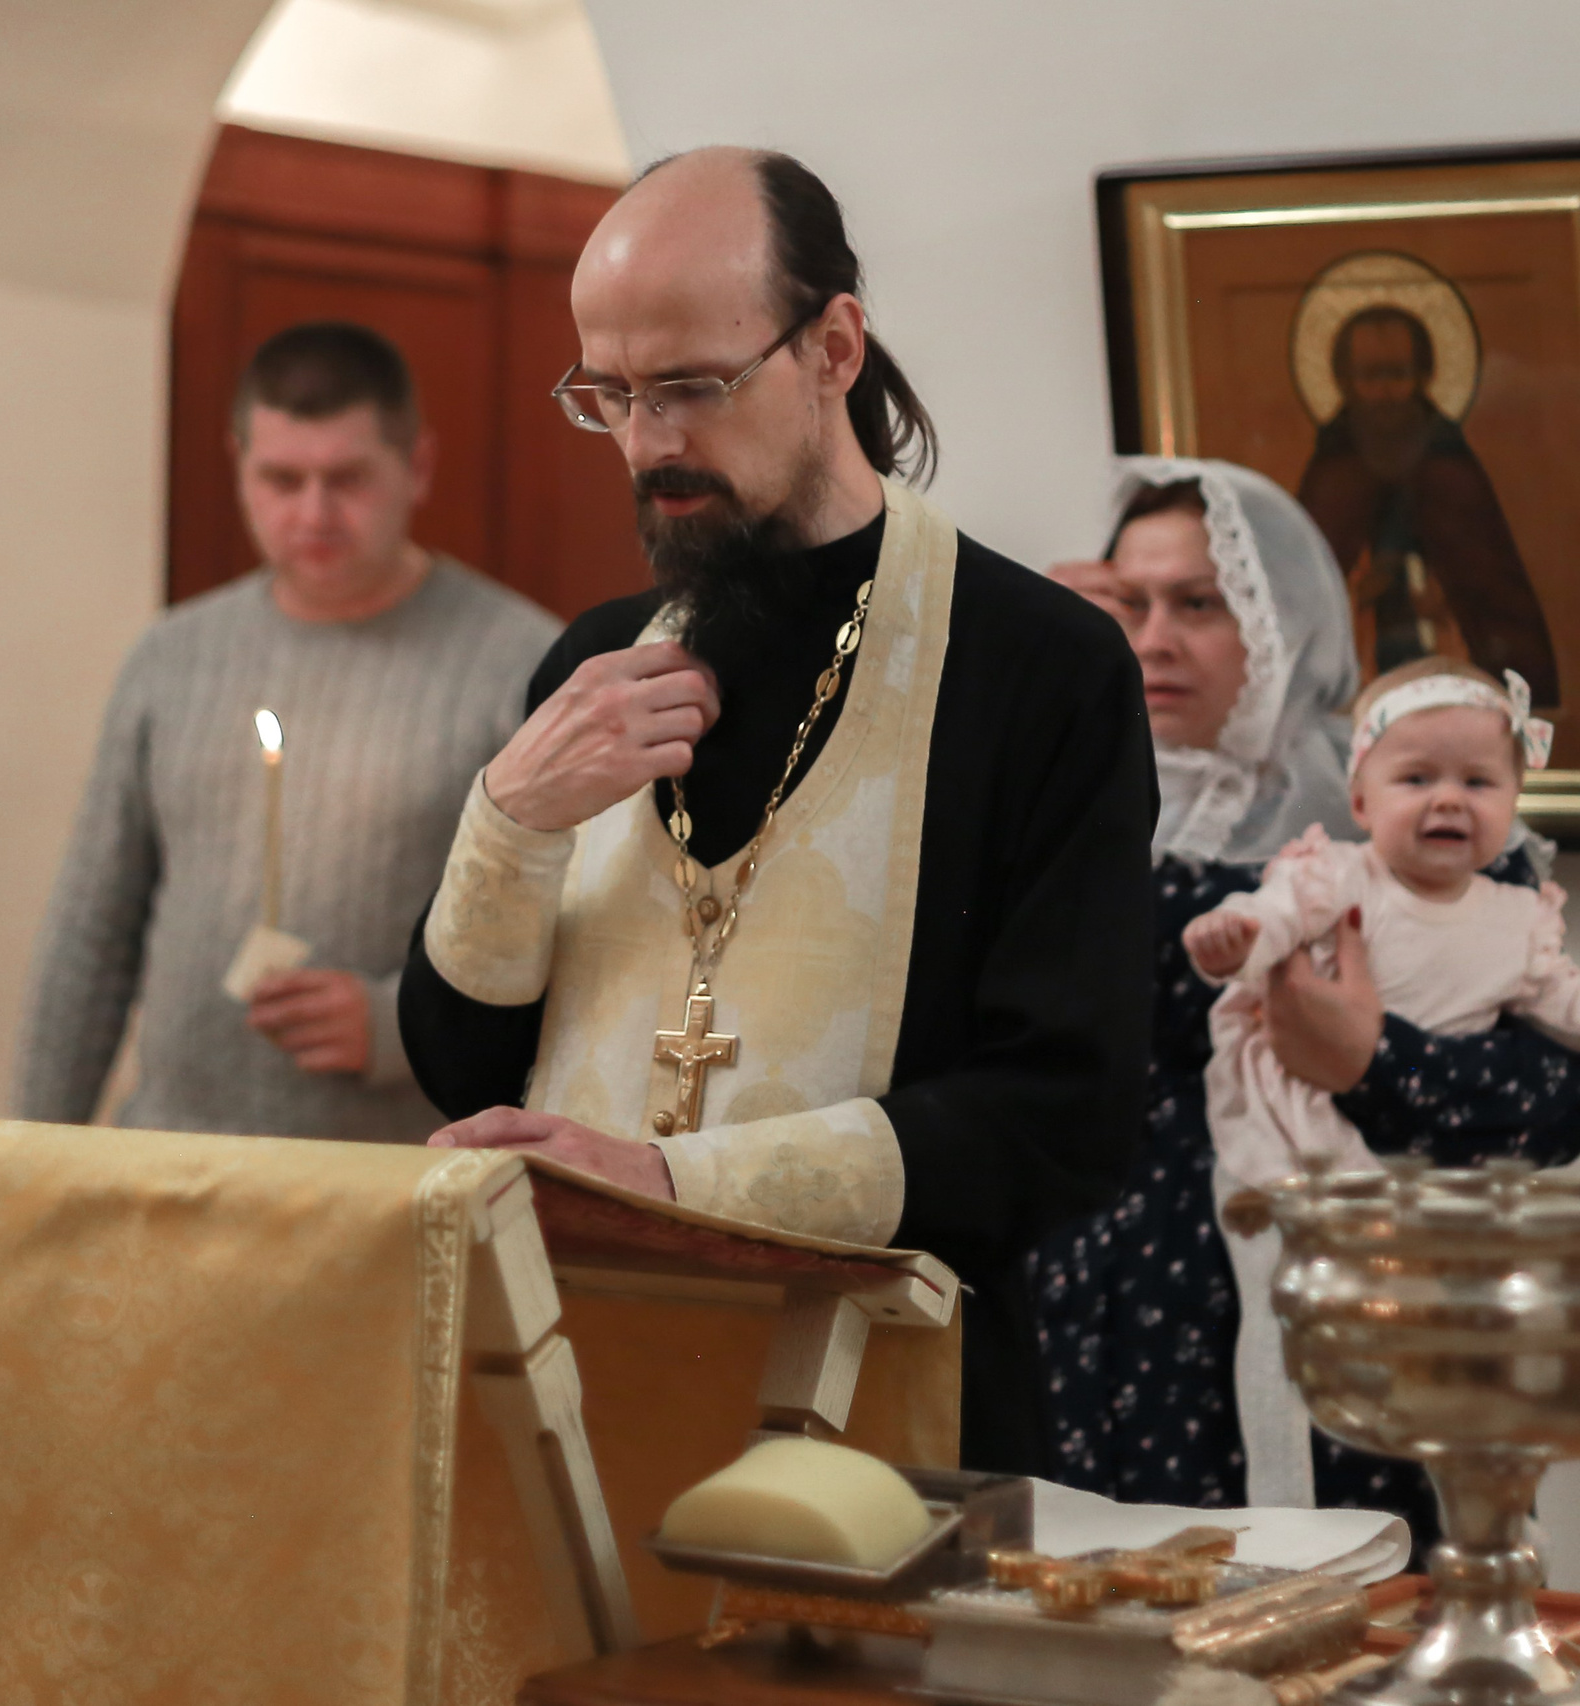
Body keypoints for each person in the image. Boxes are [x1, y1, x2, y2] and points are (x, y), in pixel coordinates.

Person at [400, 148, 1157, 1474]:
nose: (651, 442)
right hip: (577, 1390)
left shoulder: (1037, 665)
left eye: (692, 386)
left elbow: (1065, 1112)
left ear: (834, 347)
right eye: (613, 395)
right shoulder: (595, 660)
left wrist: (677, 1187)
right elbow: (467, 1069)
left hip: (896, 1421)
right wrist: (510, 820)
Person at [1031, 459, 1580, 1547]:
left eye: (1201, 603)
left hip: (1360, 1326)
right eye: (1131, 600)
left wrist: (1369, 1062)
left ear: (1287, 615)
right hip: (1102, 1337)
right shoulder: (1060, 797)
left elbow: (1556, 1099)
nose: (1155, 638)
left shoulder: (1408, 802)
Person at [1184, 657, 1580, 1505]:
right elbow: (1274, 920)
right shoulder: (1336, 876)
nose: (1449, 799)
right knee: (1289, 1303)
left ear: (1513, 805)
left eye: (1479, 781)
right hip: (1296, 1121)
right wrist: (1234, 938)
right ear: (1361, 802)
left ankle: (1465, 1505)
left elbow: (1574, 1009)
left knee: (1437, 1342)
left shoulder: (1518, 918)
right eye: (1417, 778)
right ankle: (1286, 1499)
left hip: (1424, 1161)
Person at [14, 322, 559, 1141]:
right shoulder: (171, 657)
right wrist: (31, 1148)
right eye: (280, 477)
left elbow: (572, 939)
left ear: (417, 467)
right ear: (237, 464)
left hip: (395, 1176)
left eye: (347, 478)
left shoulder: (519, 664)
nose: (312, 511)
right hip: (171, 1151)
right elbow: (93, 930)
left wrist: (397, 1024)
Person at [1296, 305, 1561, 703]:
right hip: (1357, 671)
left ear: (1424, 375)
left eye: (1398, 374)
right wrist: (1358, 591)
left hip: (1451, 667)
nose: (1385, 392)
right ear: (1345, 381)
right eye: (1370, 376)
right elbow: (1302, 599)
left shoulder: (1451, 473)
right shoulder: (1334, 477)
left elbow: (1495, 598)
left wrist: (1444, 598)